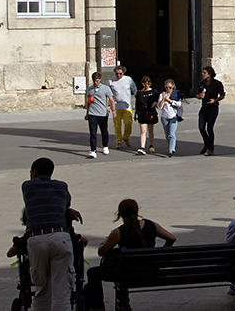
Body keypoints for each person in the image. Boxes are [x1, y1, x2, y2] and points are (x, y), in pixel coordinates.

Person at [19, 158, 81, 311]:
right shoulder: (62, 186)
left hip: (37, 239)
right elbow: (65, 203)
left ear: (34, 172)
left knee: (42, 290)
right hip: (60, 237)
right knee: (62, 293)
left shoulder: (27, 187)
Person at [96, 197, 176, 257]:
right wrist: (159, 254)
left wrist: (105, 241)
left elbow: (102, 252)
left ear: (120, 214)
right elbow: (172, 238)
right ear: (137, 211)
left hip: (129, 273)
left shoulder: (119, 232)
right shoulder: (151, 225)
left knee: (93, 272)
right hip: (151, 270)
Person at [85, 74, 116, 158]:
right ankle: (93, 150)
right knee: (93, 133)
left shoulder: (106, 88)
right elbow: (89, 101)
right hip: (92, 113)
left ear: (100, 79)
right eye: (94, 80)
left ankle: (105, 146)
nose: (96, 82)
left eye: (97, 80)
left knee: (104, 131)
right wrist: (87, 113)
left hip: (102, 114)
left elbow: (111, 100)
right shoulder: (90, 89)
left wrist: (113, 110)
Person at [110, 64, 137, 151]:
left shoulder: (128, 79)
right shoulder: (111, 81)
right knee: (117, 125)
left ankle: (126, 137)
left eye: (120, 74)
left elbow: (134, 90)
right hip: (116, 107)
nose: (118, 75)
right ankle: (118, 141)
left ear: (123, 73)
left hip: (127, 106)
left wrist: (139, 101)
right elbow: (108, 94)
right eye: (117, 74)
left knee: (128, 123)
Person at [157, 77, 184, 155]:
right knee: (167, 134)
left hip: (173, 116)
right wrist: (163, 99)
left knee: (172, 133)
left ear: (173, 87)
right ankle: (170, 146)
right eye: (166, 87)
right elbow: (159, 106)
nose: (168, 89)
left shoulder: (176, 94)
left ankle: (171, 150)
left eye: (170, 87)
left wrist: (170, 101)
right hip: (164, 117)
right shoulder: (162, 95)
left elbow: (179, 104)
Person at [134, 75, 159, 155]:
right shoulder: (139, 93)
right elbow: (137, 104)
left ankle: (151, 145)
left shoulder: (154, 92)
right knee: (143, 130)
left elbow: (158, 100)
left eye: (148, 82)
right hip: (142, 113)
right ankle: (142, 147)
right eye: (145, 82)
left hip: (150, 111)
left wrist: (156, 103)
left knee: (150, 129)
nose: (146, 84)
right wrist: (135, 113)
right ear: (142, 83)